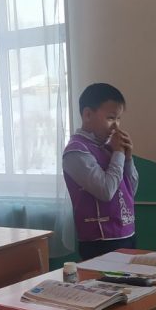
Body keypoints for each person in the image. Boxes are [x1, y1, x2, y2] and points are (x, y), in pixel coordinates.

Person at [63, 83, 139, 260]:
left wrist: (128, 158)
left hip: (126, 233)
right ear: (87, 115)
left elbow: (131, 191)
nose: (116, 127)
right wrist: (118, 153)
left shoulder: (108, 147)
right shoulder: (76, 151)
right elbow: (105, 191)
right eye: (111, 118)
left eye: (119, 119)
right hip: (100, 241)